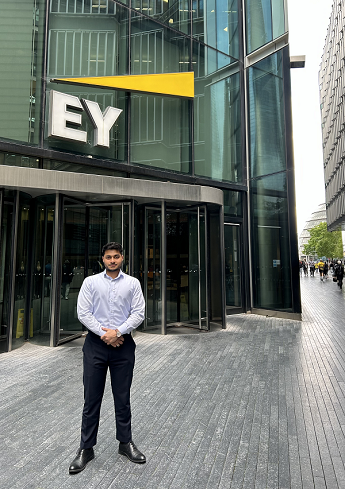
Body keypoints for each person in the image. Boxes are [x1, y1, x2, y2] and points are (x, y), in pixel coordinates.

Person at [69, 242, 146, 474]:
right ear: (102, 259)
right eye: (108, 257)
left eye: (116, 257)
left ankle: (125, 443)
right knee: (91, 398)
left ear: (122, 258)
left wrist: (118, 332)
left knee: (122, 397)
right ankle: (86, 448)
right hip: (96, 345)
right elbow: (83, 313)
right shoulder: (90, 282)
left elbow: (139, 312)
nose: (112, 260)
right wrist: (106, 334)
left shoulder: (133, 283)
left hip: (123, 346)